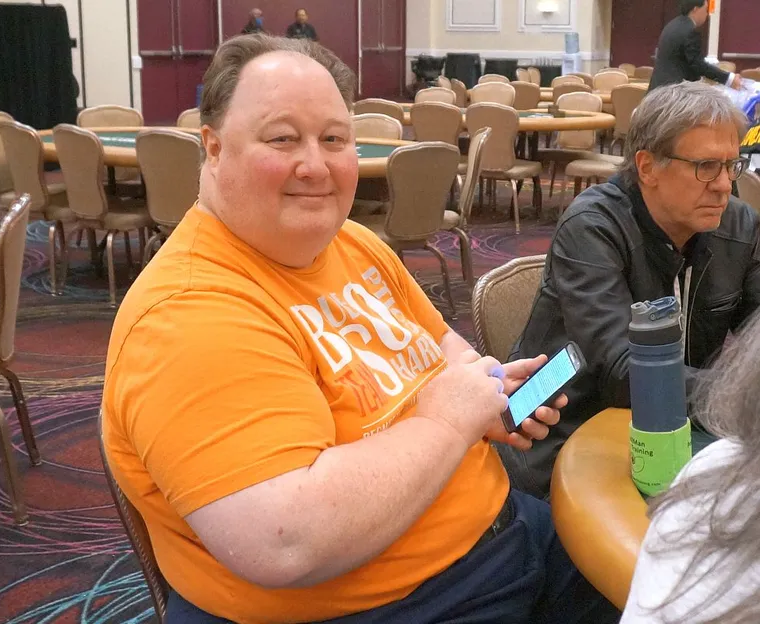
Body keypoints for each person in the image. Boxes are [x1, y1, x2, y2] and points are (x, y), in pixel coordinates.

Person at [102, 33, 618, 624]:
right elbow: (286, 539)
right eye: (282, 139)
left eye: (333, 139)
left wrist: (487, 395)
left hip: (506, 536)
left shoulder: (351, 243)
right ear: (214, 149)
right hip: (395, 604)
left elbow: (448, 356)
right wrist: (448, 421)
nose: (315, 166)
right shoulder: (189, 314)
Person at [508, 81, 760, 499]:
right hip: (562, 434)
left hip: (677, 428)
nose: (723, 185)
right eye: (705, 166)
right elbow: (623, 375)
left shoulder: (739, 226)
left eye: (731, 165)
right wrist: (740, 394)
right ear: (647, 167)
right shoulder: (592, 227)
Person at [622, 310, 760, 623]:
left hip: (695, 420)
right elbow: (619, 367)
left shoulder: (711, 463)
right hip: (567, 441)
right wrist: (734, 391)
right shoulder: (712, 471)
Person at [649, 0, 742, 91]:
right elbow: (698, 64)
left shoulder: (672, 25)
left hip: (658, 89)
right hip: (674, 92)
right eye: (705, 9)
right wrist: (729, 79)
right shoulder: (690, 31)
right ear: (695, 9)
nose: (707, 14)